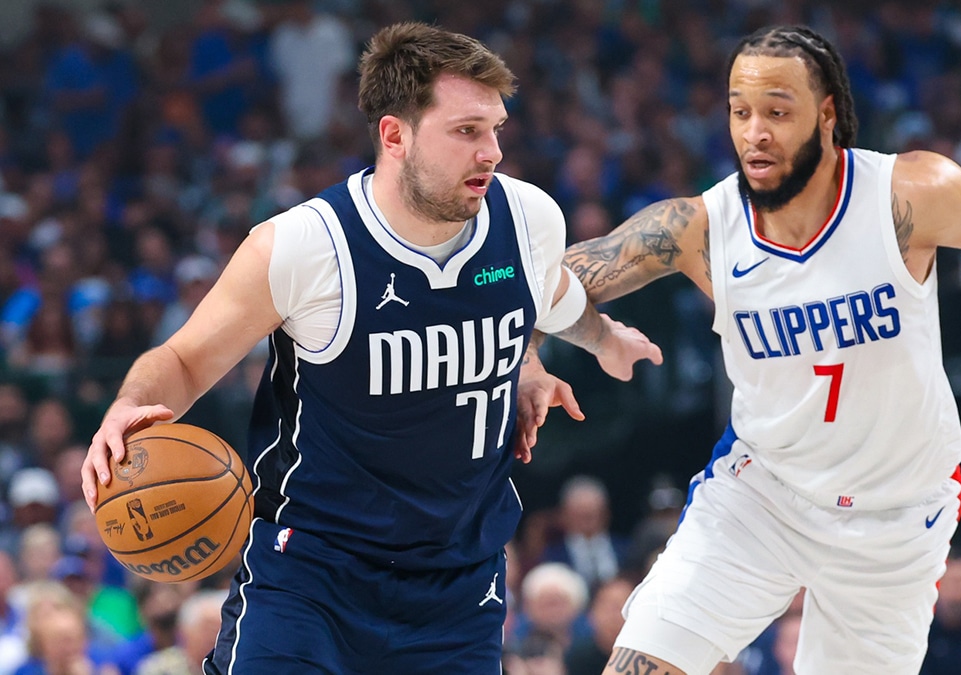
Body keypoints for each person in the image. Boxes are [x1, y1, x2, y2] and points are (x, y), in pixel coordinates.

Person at [532, 23, 961, 675]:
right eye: (740, 111)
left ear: (827, 115)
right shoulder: (702, 227)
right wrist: (564, 344)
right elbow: (551, 279)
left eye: (777, 112)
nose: (754, 131)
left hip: (896, 515)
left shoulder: (908, 195)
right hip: (764, 492)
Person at [80, 22, 659, 674]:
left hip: (458, 584)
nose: (492, 151)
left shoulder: (528, 218)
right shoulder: (305, 246)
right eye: (467, 131)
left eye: (496, 128)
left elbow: (548, 293)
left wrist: (592, 342)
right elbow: (184, 359)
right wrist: (128, 405)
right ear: (395, 136)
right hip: (313, 575)